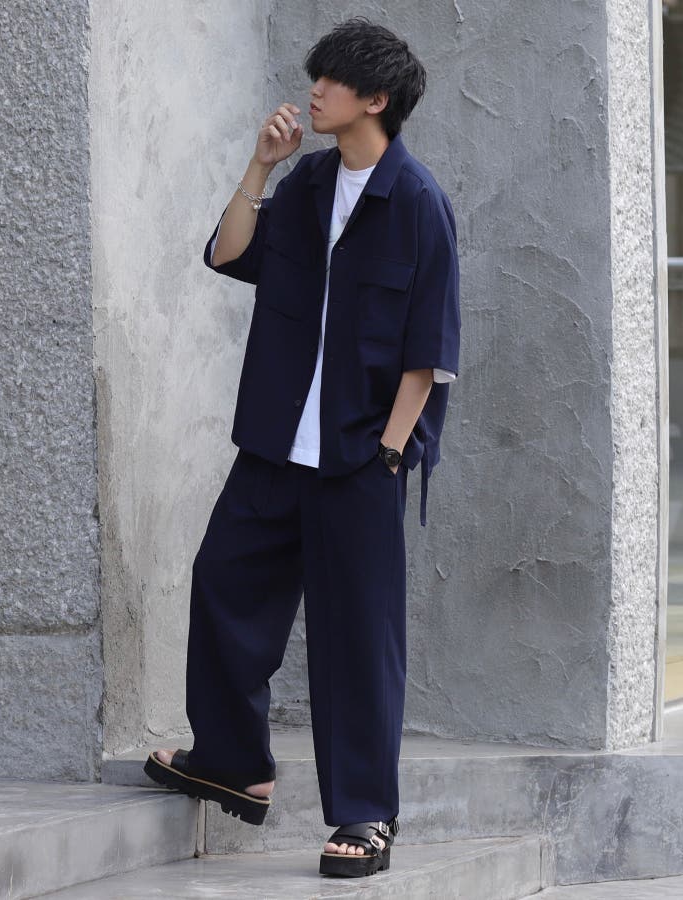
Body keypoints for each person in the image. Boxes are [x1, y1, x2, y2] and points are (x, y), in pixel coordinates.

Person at [143, 16, 460, 878]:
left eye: (331, 81)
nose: (312, 91)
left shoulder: (418, 203)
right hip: (275, 447)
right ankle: (233, 763)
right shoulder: (311, 182)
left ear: (376, 100)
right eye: (315, 77)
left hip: (358, 460)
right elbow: (228, 253)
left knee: (357, 640)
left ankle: (364, 816)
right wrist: (260, 167)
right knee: (223, 583)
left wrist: (389, 454)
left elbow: (429, 354)